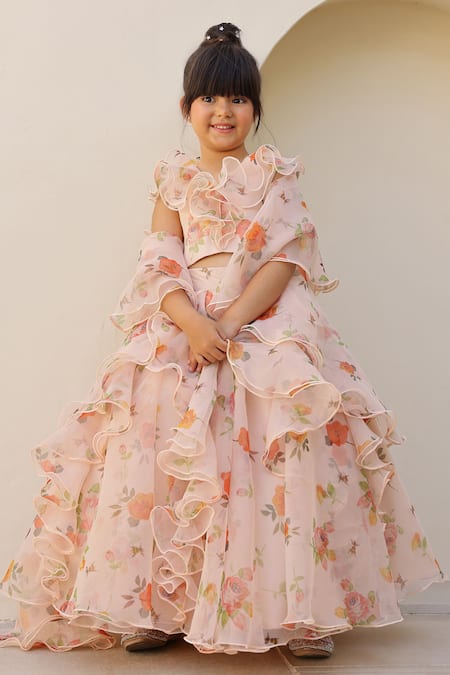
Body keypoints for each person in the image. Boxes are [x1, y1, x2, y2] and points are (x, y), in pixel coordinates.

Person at [0, 21, 444, 659]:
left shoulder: (276, 176)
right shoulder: (174, 180)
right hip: (187, 319)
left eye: (237, 98)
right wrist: (191, 322)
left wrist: (230, 324)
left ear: (255, 110)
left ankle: (299, 611)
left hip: (263, 317)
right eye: (208, 98)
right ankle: (158, 604)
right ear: (188, 108)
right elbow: (159, 259)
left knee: (287, 430)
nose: (223, 111)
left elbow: (285, 258)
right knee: (153, 429)